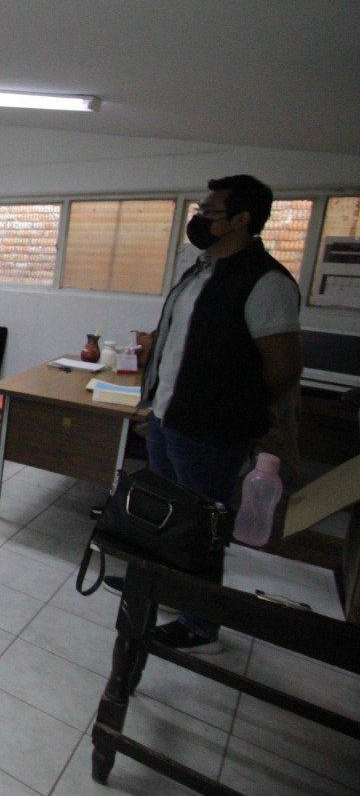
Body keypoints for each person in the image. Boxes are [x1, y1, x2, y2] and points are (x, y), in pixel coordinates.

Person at [139, 174, 302, 653]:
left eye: (209, 212)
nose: (199, 220)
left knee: (203, 529)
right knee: (169, 517)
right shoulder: (201, 271)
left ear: (241, 219)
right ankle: (168, 591)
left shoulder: (266, 282)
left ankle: (199, 625)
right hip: (167, 417)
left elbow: (284, 369)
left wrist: (231, 409)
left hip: (210, 433)